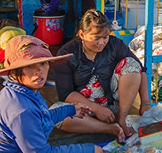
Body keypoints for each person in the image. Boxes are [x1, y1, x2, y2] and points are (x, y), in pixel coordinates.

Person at [52, 9, 151, 138]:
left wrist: (145, 103)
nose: (102, 42)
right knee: (55, 113)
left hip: (112, 105)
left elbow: (140, 70)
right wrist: (95, 108)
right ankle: (109, 128)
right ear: (82, 34)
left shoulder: (115, 44)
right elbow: (66, 94)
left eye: (105, 37)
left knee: (131, 64)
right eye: (96, 38)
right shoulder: (67, 53)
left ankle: (121, 119)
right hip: (83, 109)